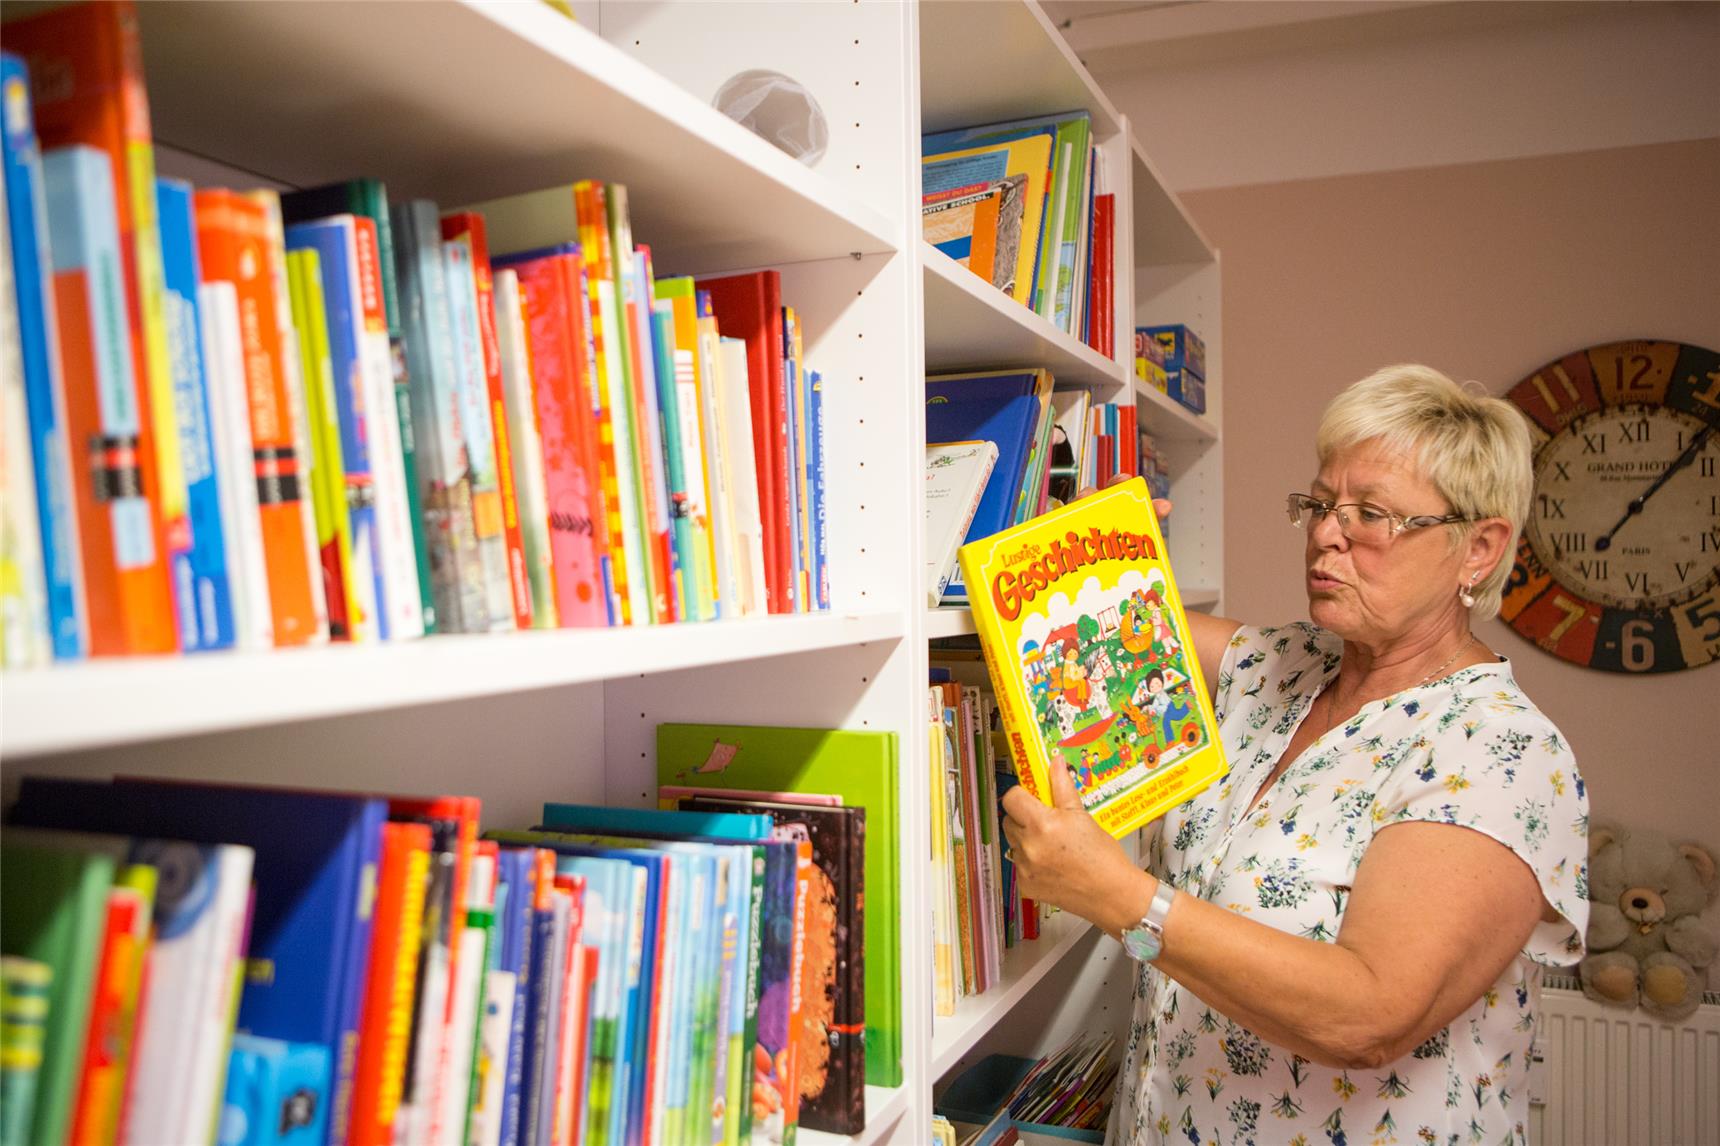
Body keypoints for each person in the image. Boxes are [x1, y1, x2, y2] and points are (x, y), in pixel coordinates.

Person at [1001, 364, 1589, 1146]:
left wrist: (1120, 897)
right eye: (1318, 504)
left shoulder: (1501, 752)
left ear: (1477, 548)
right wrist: (1098, 543)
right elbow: (1079, 615)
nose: (1325, 532)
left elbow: (1370, 1015)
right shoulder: (1286, 663)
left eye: (1371, 515)